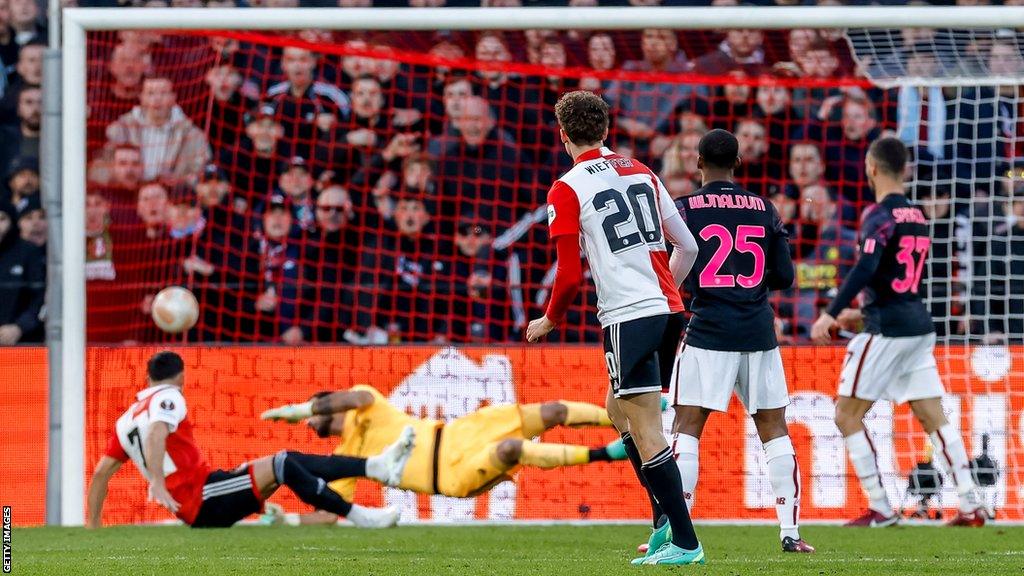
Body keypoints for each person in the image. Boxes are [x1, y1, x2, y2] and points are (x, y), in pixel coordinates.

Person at [525, 91, 703, 566]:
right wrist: (663, 291)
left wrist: (549, 319)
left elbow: (568, 274)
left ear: (563, 135)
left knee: (644, 426)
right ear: (605, 130)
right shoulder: (642, 170)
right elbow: (687, 246)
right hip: (667, 311)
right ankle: (664, 520)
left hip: (628, 315)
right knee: (618, 409)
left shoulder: (566, 187)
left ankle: (684, 540)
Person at [810, 137, 987, 527]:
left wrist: (832, 312)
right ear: (904, 170)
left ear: (872, 168)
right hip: (918, 326)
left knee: (845, 415)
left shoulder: (878, 215)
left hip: (888, 331)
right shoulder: (918, 216)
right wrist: (858, 313)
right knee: (933, 418)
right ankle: (972, 505)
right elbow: (897, 280)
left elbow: (867, 268)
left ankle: (881, 507)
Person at [667, 129, 813, 554]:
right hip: (757, 333)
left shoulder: (685, 208)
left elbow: (672, 266)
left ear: (697, 163)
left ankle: (680, 533)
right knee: (773, 430)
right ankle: (790, 532)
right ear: (739, 164)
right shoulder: (763, 208)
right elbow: (785, 277)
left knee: (686, 430)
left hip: (708, 330)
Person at [86, 351, 416, 529]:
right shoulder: (169, 397)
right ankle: (362, 514)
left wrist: (94, 525)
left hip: (207, 491)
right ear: (182, 376)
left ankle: (376, 467)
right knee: (283, 463)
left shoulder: (125, 419)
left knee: (288, 462)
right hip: (200, 499)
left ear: (147, 378)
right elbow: (158, 430)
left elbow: (101, 472)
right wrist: (157, 482)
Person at [259, 387, 626, 523]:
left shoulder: (365, 403)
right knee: (514, 450)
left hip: (460, 432)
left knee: (549, 412)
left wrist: (303, 408)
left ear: (325, 406)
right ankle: (606, 454)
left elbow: (353, 398)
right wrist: (285, 521)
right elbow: (329, 515)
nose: (308, 424)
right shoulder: (345, 458)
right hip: (450, 475)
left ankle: (624, 417)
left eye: (312, 415)